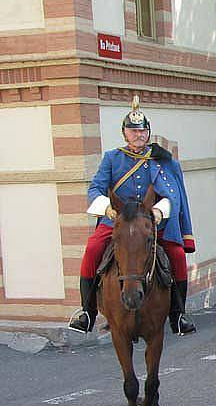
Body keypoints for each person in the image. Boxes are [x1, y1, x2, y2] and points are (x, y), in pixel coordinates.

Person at [68, 96, 197, 336]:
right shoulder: (112, 158)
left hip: (149, 221)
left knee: (177, 255)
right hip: (117, 218)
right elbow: (95, 188)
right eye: (133, 130)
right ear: (124, 133)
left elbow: (172, 193)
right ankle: (87, 312)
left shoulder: (159, 160)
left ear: (148, 133)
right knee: (93, 247)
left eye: (142, 131)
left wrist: (160, 210)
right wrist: (107, 208)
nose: (138, 135)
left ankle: (178, 314)